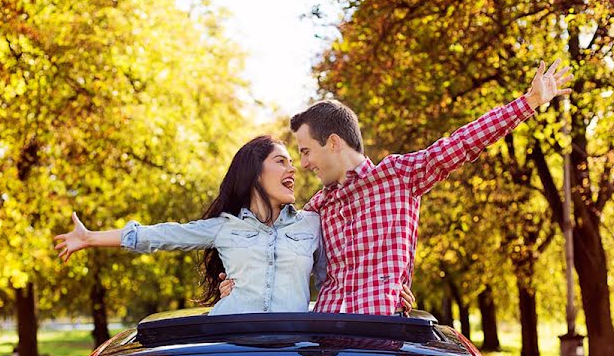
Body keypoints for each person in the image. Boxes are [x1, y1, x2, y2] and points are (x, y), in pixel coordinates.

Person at [222, 59, 572, 315]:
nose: (305, 163)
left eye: (306, 151)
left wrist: (527, 104)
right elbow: (272, 252)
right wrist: (238, 285)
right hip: (324, 345)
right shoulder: (317, 208)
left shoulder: (399, 177)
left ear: (332, 143)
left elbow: (462, 143)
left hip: (380, 344)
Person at [55, 136, 416, 315]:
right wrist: (89, 238)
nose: (294, 170)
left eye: (294, 163)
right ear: (255, 172)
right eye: (282, 162)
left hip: (290, 354)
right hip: (230, 346)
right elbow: (160, 236)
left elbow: (336, 284)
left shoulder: (312, 224)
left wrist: (389, 296)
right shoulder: (224, 227)